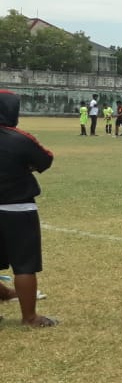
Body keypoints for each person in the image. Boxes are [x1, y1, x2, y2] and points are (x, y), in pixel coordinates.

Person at [0, 90, 57, 327]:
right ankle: (29, 317)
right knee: (24, 265)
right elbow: (46, 159)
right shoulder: (20, 138)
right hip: (18, 208)